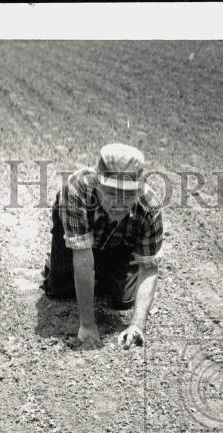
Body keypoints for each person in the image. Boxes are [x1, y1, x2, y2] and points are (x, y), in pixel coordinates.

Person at [41, 142, 163, 349]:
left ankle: (103, 268)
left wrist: (137, 326)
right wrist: (87, 324)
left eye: (129, 195)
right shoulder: (76, 189)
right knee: (60, 290)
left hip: (121, 243)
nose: (120, 203)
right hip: (80, 238)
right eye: (113, 193)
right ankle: (56, 263)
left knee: (123, 302)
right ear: (98, 185)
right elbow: (82, 256)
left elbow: (149, 268)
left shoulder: (149, 206)